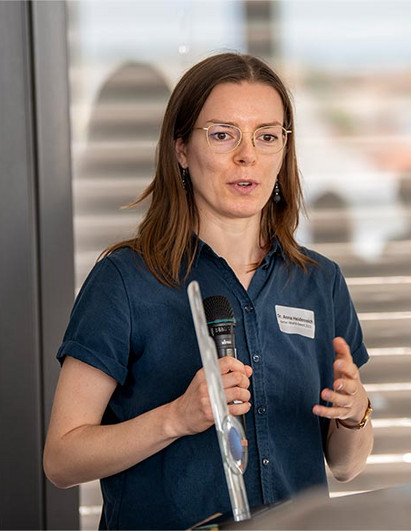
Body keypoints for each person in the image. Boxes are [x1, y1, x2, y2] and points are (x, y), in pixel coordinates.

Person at [43, 53, 374, 529]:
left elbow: (345, 466)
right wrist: (177, 417)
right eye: (223, 135)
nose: (247, 155)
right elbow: (62, 460)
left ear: (284, 151)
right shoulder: (124, 280)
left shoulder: (319, 281)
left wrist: (354, 413)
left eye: (266, 136)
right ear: (181, 149)